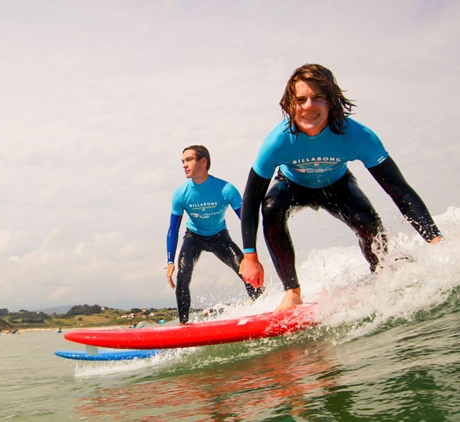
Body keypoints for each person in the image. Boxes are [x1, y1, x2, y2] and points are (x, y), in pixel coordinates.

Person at [239, 63, 444, 312]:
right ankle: (292, 292)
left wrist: (435, 240)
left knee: (366, 221)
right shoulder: (278, 142)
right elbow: (251, 200)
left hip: (337, 184)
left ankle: (384, 276)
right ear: (291, 105)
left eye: (318, 98)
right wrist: (250, 256)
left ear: (331, 102)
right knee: (271, 208)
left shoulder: (357, 135)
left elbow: (399, 191)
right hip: (292, 184)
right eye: (301, 99)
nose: (309, 106)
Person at [166, 145, 263, 323]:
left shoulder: (225, 189)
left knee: (244, 269)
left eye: (188, 160)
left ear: (203, 161)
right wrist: (170, 261)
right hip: (193, 237)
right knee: (183, 273)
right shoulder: (180, 194)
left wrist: (252, 253)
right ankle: (184, 323)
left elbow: (247, 219)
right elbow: (173, 229)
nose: (184, 165)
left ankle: (263, 306)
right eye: (182, 161)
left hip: (220, 237)